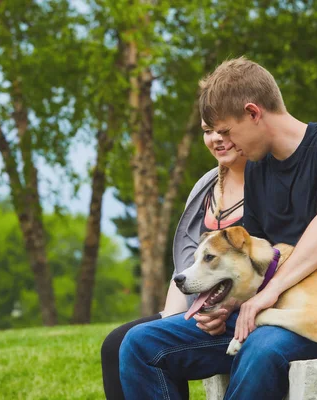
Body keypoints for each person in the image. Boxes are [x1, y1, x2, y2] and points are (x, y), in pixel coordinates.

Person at [118, 57, 317, 400]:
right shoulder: (257, 169)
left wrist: (267, 296)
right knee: (141, 344)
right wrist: (227, 305)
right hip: (268, 313)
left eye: (225, 131)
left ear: (254, 112)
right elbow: (249, 260)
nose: (223, 143)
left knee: (260, 348)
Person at [101, 119, 248, 400]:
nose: (216, 138)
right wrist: (171, 315)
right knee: (114, 344)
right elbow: (186, 262)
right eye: (207, 131)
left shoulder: (265, 184)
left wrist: (226, 308)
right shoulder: (206, 186)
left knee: (145, 346)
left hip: (232, 313)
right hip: (195, 305)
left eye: (223, 129)